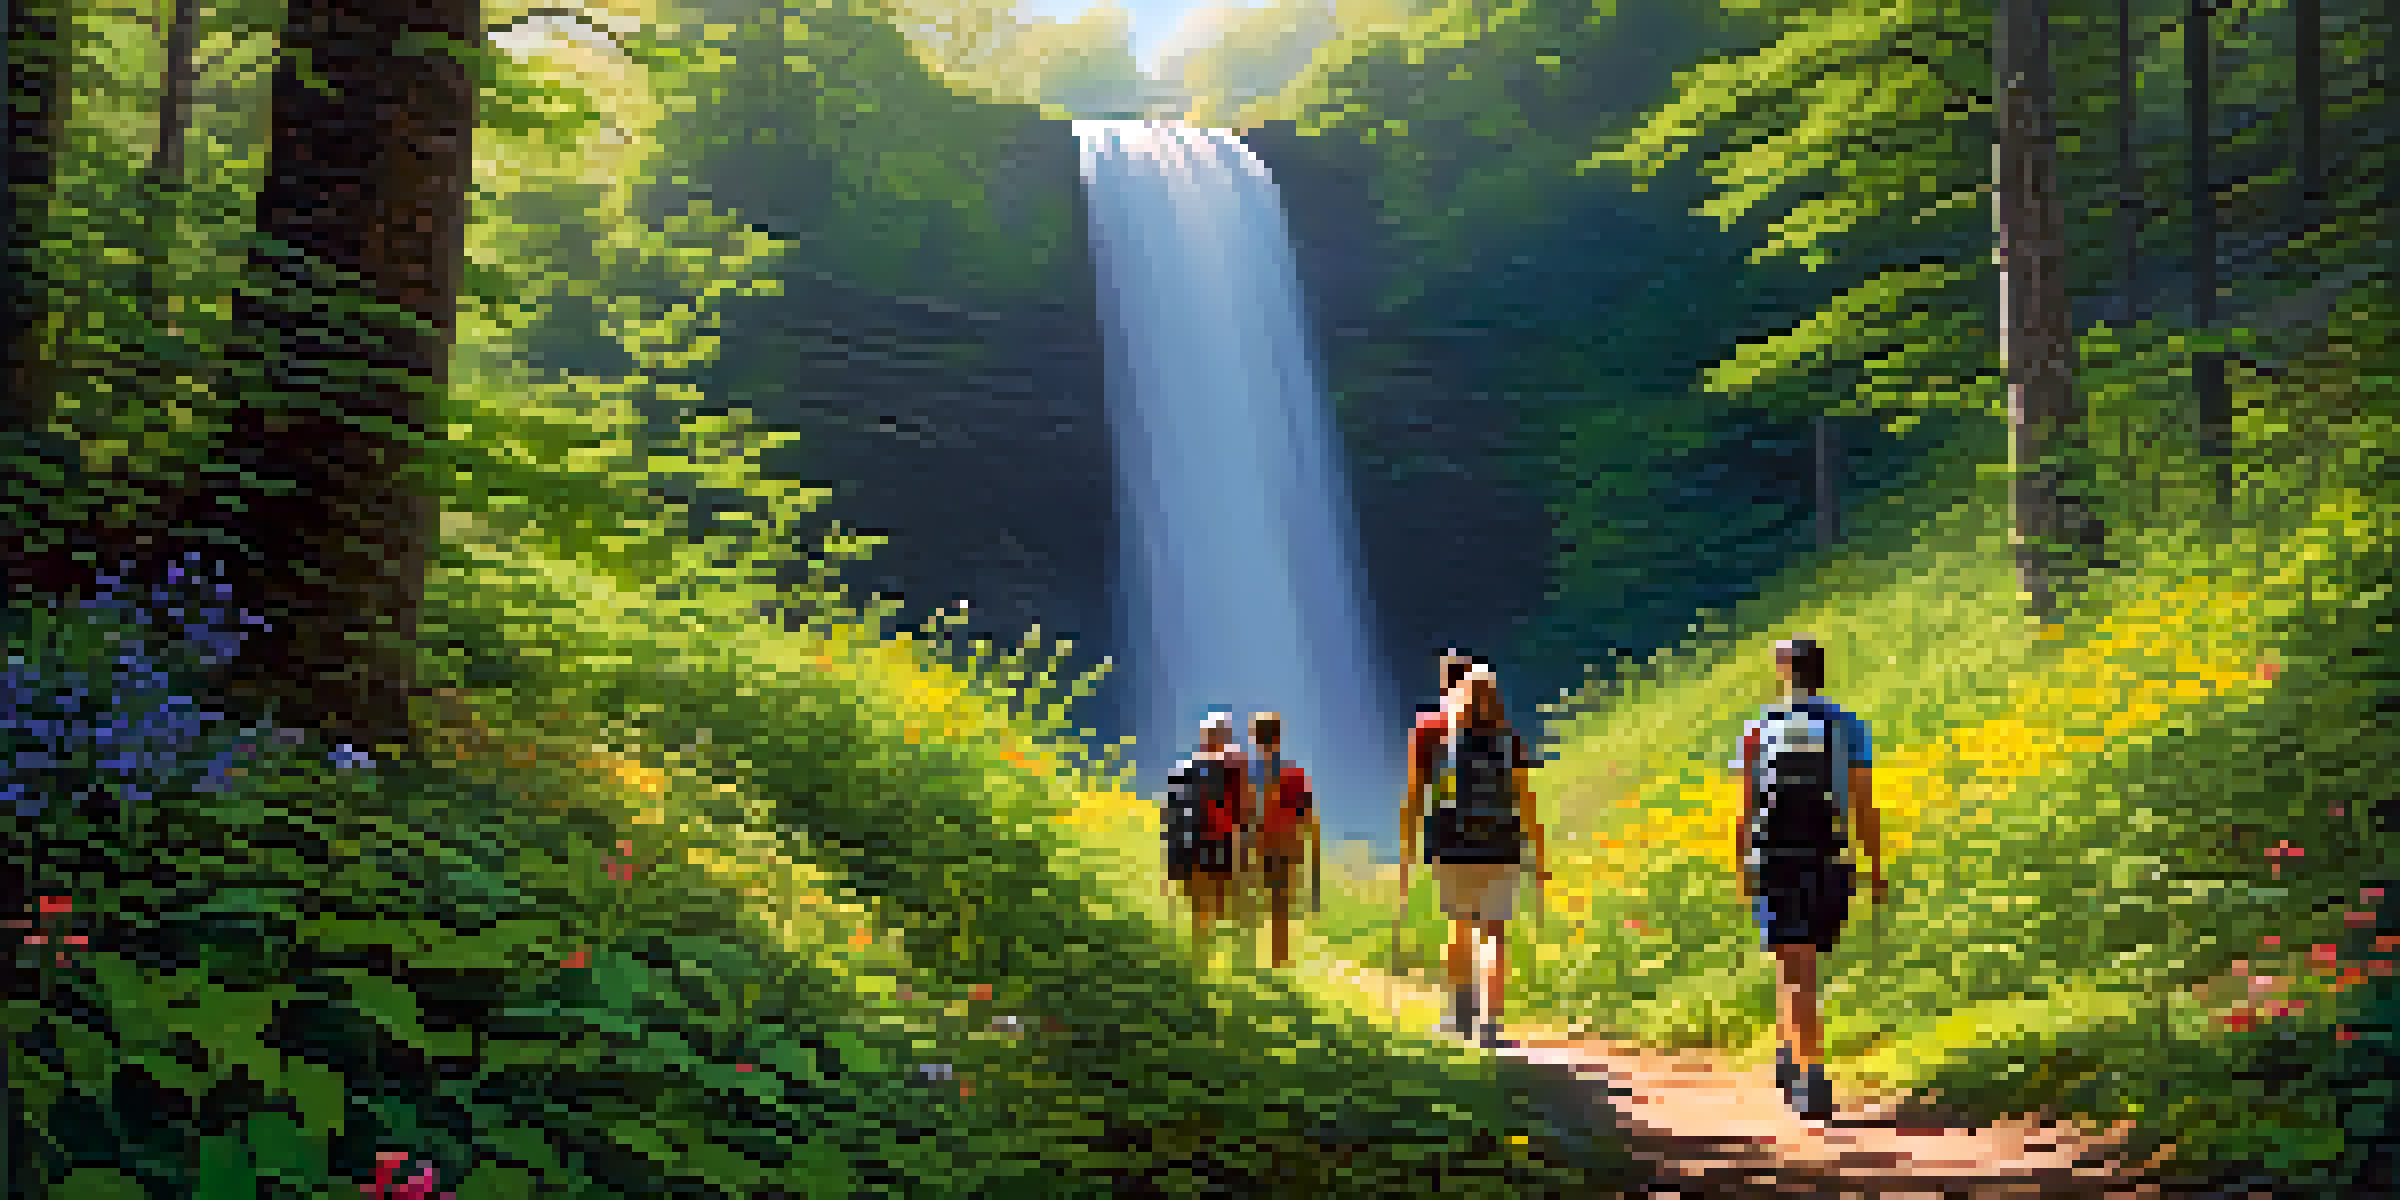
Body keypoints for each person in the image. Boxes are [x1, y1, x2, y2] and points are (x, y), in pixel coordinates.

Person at [1727, 636, 1885, 1121]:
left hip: (1775, 855)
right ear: (1821, 671)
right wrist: (1875, 866)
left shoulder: (1758, 728)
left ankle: (1808, 1073)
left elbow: (1744, 810)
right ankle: (1791, 1054)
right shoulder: (1848, 726)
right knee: (1802, 965)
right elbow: (1862, 802)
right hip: (1828, 854)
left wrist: (1741, 867)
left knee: (1792, 964)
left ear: (1783, 672)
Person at [1402, 658, 1548, 1049]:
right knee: (1494, 935)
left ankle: (1457, 1014)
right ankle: (1491, 1023)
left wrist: (1409, 846)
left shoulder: (1442, 738)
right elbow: (1526, 802)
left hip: (1453, 844)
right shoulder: (1510, 740)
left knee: (1460, 928)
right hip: (1502, 845)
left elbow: (1417, 794)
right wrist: (1539, 855)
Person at [1163, 711, 1250, 964]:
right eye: (1218, 734)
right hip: (1205, 843)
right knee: (1206, 905)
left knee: (1211, 905)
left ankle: (1204, 956)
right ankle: (1202, 958)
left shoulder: (1222, 768)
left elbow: (1240, 809)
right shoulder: (1199, 769)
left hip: (1211, 843)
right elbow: (1173, 812)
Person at [1247, 711, 1319, 970]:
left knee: (1248, 902)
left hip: (1253, 844)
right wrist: (1311, 847)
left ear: (1255, 737)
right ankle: (1279, 958)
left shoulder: (1246, 773)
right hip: (1285, 846)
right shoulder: (1294, 773)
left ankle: (1248, 957)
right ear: (1279, 737)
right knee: (1280, 904)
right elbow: (1307, 814)